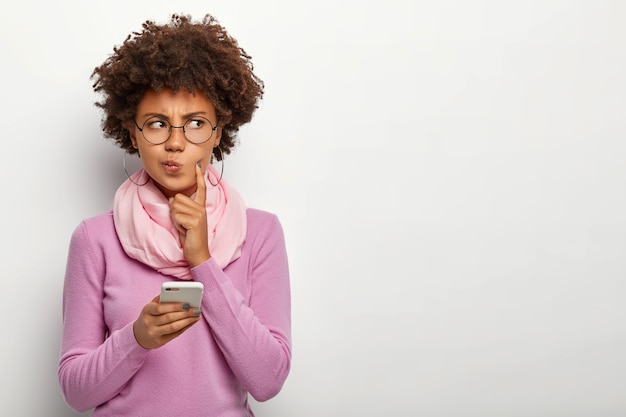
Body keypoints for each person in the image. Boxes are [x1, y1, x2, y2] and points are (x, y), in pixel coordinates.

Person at [58, 13, 291, 416]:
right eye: (157, 124)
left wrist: (202, 260)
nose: (174, 143)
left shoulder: (261, 233)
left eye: (195, 123)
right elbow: (77, 394)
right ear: (132, 133)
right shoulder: (94, 239)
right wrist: (137, 339)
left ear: (218, 132)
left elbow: (268, 380)